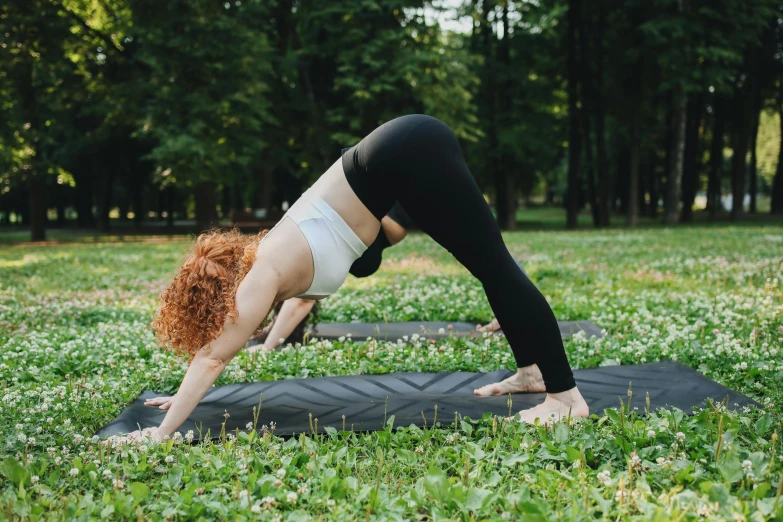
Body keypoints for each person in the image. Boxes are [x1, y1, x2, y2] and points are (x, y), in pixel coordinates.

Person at [133, 115, 588, 442]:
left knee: (495, 265)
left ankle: (566, 399)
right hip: (404, 155)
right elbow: (223, 349)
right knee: (489, 268)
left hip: (408, 149)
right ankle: (532, 374)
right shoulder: (275, 274)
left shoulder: (261, 273)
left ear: (220, 295)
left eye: (214, 313)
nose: (224, 322)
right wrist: (181, 395)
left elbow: (213, 358)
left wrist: (158, 435)